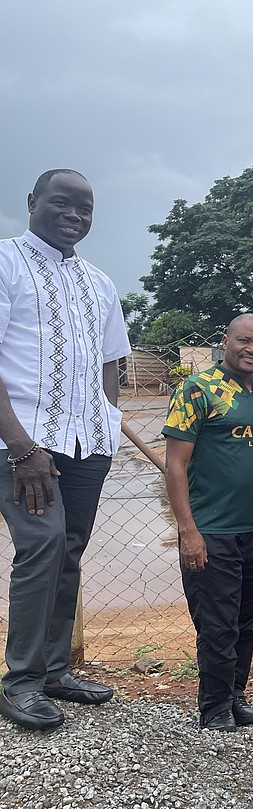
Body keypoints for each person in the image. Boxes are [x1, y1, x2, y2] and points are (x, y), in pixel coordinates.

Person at [0, 169, 131, 731]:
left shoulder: (99, 282)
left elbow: (111, 360)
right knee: (43, 542)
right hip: (24, 444)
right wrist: (22, 447)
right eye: (61, 203)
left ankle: (55, 671)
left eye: (85, 208)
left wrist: (103, 420)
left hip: (85, 443)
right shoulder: (6, 263)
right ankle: (20, 681)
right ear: (32, 202)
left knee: (70, 549)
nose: (74, 215)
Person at [163, 313, 253, 731]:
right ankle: (212, 708)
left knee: (248, 619)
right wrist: (188, 531)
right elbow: (175, 465)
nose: (252, 349)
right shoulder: (197, 390)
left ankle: (236, 697)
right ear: (225, 341)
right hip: (211, 531)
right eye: (244, 340)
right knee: (217, 623)